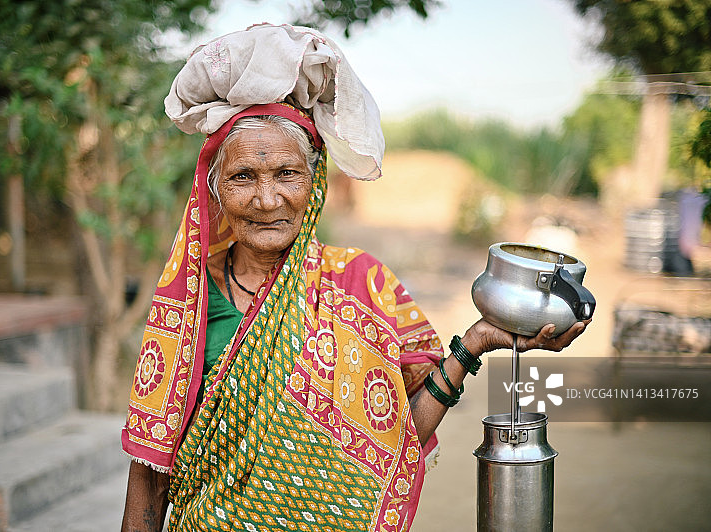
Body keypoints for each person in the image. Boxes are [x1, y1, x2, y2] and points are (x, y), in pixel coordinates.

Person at [121, 23, 588, 532]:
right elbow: (150, 473)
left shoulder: (361, 282)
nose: (267, 199)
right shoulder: (187, 301)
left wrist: (475, 342)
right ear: (215, 191)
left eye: (286, 174)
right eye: (242, 177)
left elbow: (398, 433)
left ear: (314, 182)